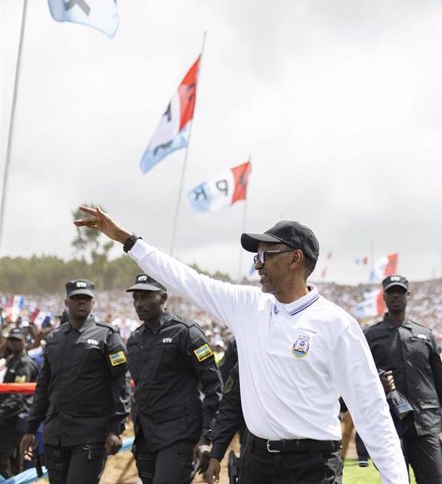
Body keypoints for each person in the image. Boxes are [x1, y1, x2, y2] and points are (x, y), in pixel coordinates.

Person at [74, 206, 407, 484]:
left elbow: (370, 408)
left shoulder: (337, 324)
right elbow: (187, 279)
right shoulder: (249, 305)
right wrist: (126, 239)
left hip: (313, 466)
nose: (257, 264)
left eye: (264, 255)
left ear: (294, 259)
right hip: (257, 462)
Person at [19, 279, 130, 484]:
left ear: (93, 303)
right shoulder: (55, 338)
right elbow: (43, 388)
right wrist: (30, 429)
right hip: (56, 435)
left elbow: (121, 385)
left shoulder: (108, 336)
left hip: (90, 435)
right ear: (66, 302)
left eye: (86, 298)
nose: (81, 302)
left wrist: (117, 428)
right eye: (76, 298)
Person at [364, 274, 442, 484]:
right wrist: (377, 384)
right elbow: (359, 383)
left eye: (400, 292)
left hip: (425, 424)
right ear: (384, 297)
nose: (396, 296)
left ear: (408, 295)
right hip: (389, 429)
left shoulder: (425, 334)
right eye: (391, 292)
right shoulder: (370, 336)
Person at [125, 274, 223, 484]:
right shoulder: (134, 340)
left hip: (179, 434)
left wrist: (207, 435)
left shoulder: (186, 333)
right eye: (136, 298)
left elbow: (214, 385)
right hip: (146, 436)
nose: (139, 303)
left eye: (145, 297)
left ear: (162, 297)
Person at [0, 328, 38, 477]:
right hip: (9, 415)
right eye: (11, 340)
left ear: (24, 341)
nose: (13, 343)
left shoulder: (23, 364)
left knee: (4, 456)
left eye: (17, 340)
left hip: (15, 417)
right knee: (12, 457)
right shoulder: (13, 360)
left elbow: (18, 396)